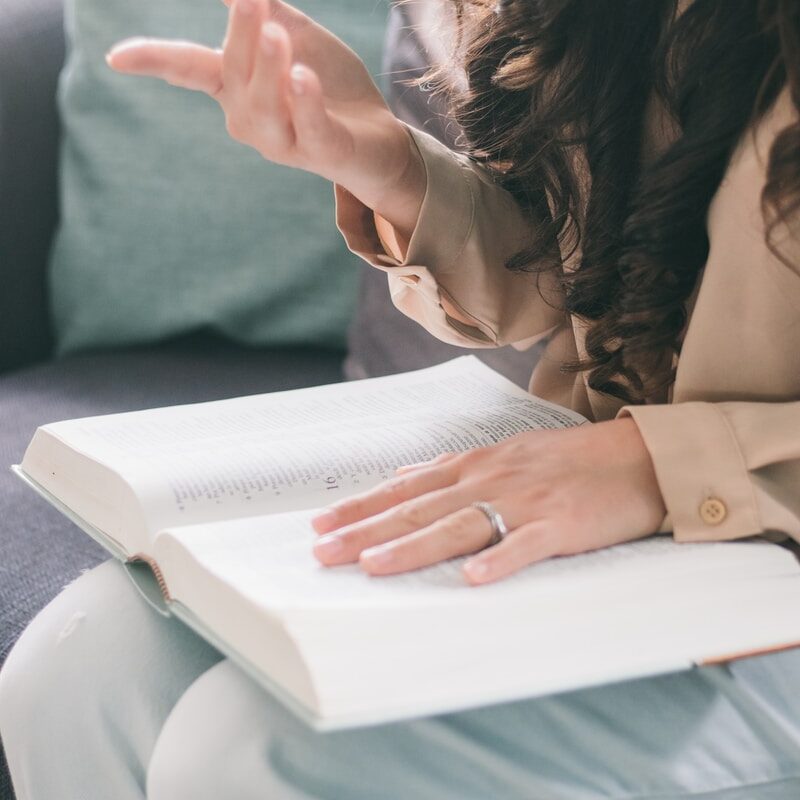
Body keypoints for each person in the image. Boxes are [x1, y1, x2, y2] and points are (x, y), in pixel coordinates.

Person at [2, 0, 799, 797]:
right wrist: (388, 164)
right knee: (80, 672)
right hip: (620, 519)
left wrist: (663, 468)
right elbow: (588, 261)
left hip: (769, 565)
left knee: (249, 754)